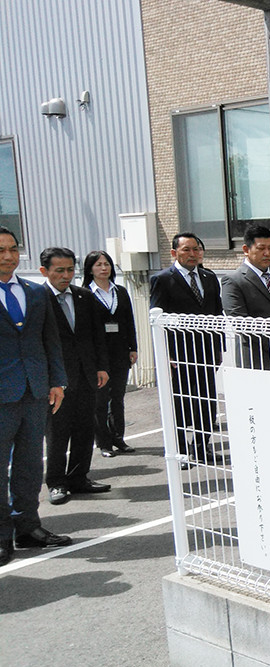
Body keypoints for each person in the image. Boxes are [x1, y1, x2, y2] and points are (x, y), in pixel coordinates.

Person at [0, 228, 71, 563]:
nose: (9, 256)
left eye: (13, 249)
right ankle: (2, 537)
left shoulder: (35, 292)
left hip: (35, 391)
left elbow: (50, 341)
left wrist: (56, 381)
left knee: (30, 464)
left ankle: (28, 527)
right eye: (1, 250)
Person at [41, 247, 111, 505]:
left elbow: (97, 335)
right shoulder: (39, 298)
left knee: (85, 428)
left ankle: (79, 477)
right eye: (59, 270)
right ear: (44, 271)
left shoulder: (83, 296)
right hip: (57, 379)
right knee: (58, 432)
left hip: (86, 374)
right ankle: (57, 482)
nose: (66, 275)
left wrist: (101, 367)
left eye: (70, 270)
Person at [150, 232, 225, 466]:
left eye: (196, 249)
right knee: (181, 403)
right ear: (174, 253)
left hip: (206, 352)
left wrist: (219, 346)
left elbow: (216, 313)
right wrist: (166, 354)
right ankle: (181, 449)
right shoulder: (163, 279)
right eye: (186, 250)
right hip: (179, 355)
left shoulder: (209, 277)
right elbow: (157, 320)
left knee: (206, 401)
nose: (193, 254)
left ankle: (203, 447)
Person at [84, 250, 138, 458]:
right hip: (99, 354)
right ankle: (104, 443)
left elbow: (129, 322)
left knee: (118, 397)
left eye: (106, 264)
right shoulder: (86, 294)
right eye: (98, 264)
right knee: (100, 399)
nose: (103, 268)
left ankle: (119, 438)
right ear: (90, 269)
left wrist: (133, 347)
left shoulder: (120, 291)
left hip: (120, 351)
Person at [221, 225, 270, 371]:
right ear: (246, 250)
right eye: (261, 248)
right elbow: (238, 320)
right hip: (255, 356)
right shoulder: (233, 280)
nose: (268, 253)